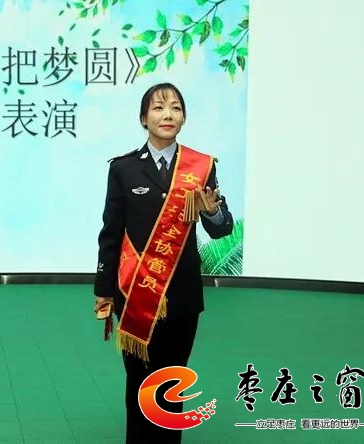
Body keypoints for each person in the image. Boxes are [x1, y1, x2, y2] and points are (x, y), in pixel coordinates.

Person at [93, 83, 234, 443]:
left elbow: (222, 229)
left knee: (172, 380)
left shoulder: (201, 167)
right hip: (134, 292)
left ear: (183, 118)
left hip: (183, 294)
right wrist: (104, 290)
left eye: (175, 108)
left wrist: (212, 211)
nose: (167, 114)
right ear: (144, 118)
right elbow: (111, 233)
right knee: (139, 380)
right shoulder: (123, 169)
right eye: (158, 108)